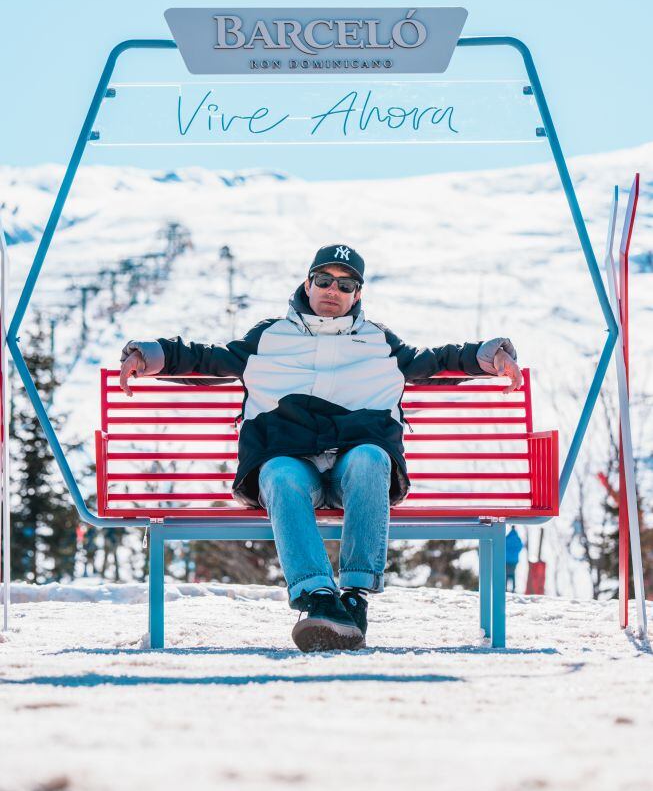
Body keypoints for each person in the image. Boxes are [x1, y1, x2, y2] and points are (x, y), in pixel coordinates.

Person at [119, 243, 522, 652]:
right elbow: (208, 360)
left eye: (346, 284)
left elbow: (435, 362)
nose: (334, 290)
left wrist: (490, 356)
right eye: (325, 280)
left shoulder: (379, 341)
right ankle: (318, 598)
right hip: (292, 462)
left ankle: (353, 596)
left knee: (371, 457)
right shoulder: (269, 338)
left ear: (357, 295)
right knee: (277, 472)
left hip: (354, 467)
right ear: (307, 283)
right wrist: (150, 354)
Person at [505, 526, 524, 592]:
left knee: (506, 573)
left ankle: (505, 587)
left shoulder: (507, 537)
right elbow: (521, 546)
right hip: (514, 559)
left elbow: (502, 544)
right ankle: (513, 588)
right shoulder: (517, 538)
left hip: (507, 559)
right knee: (513, 573)